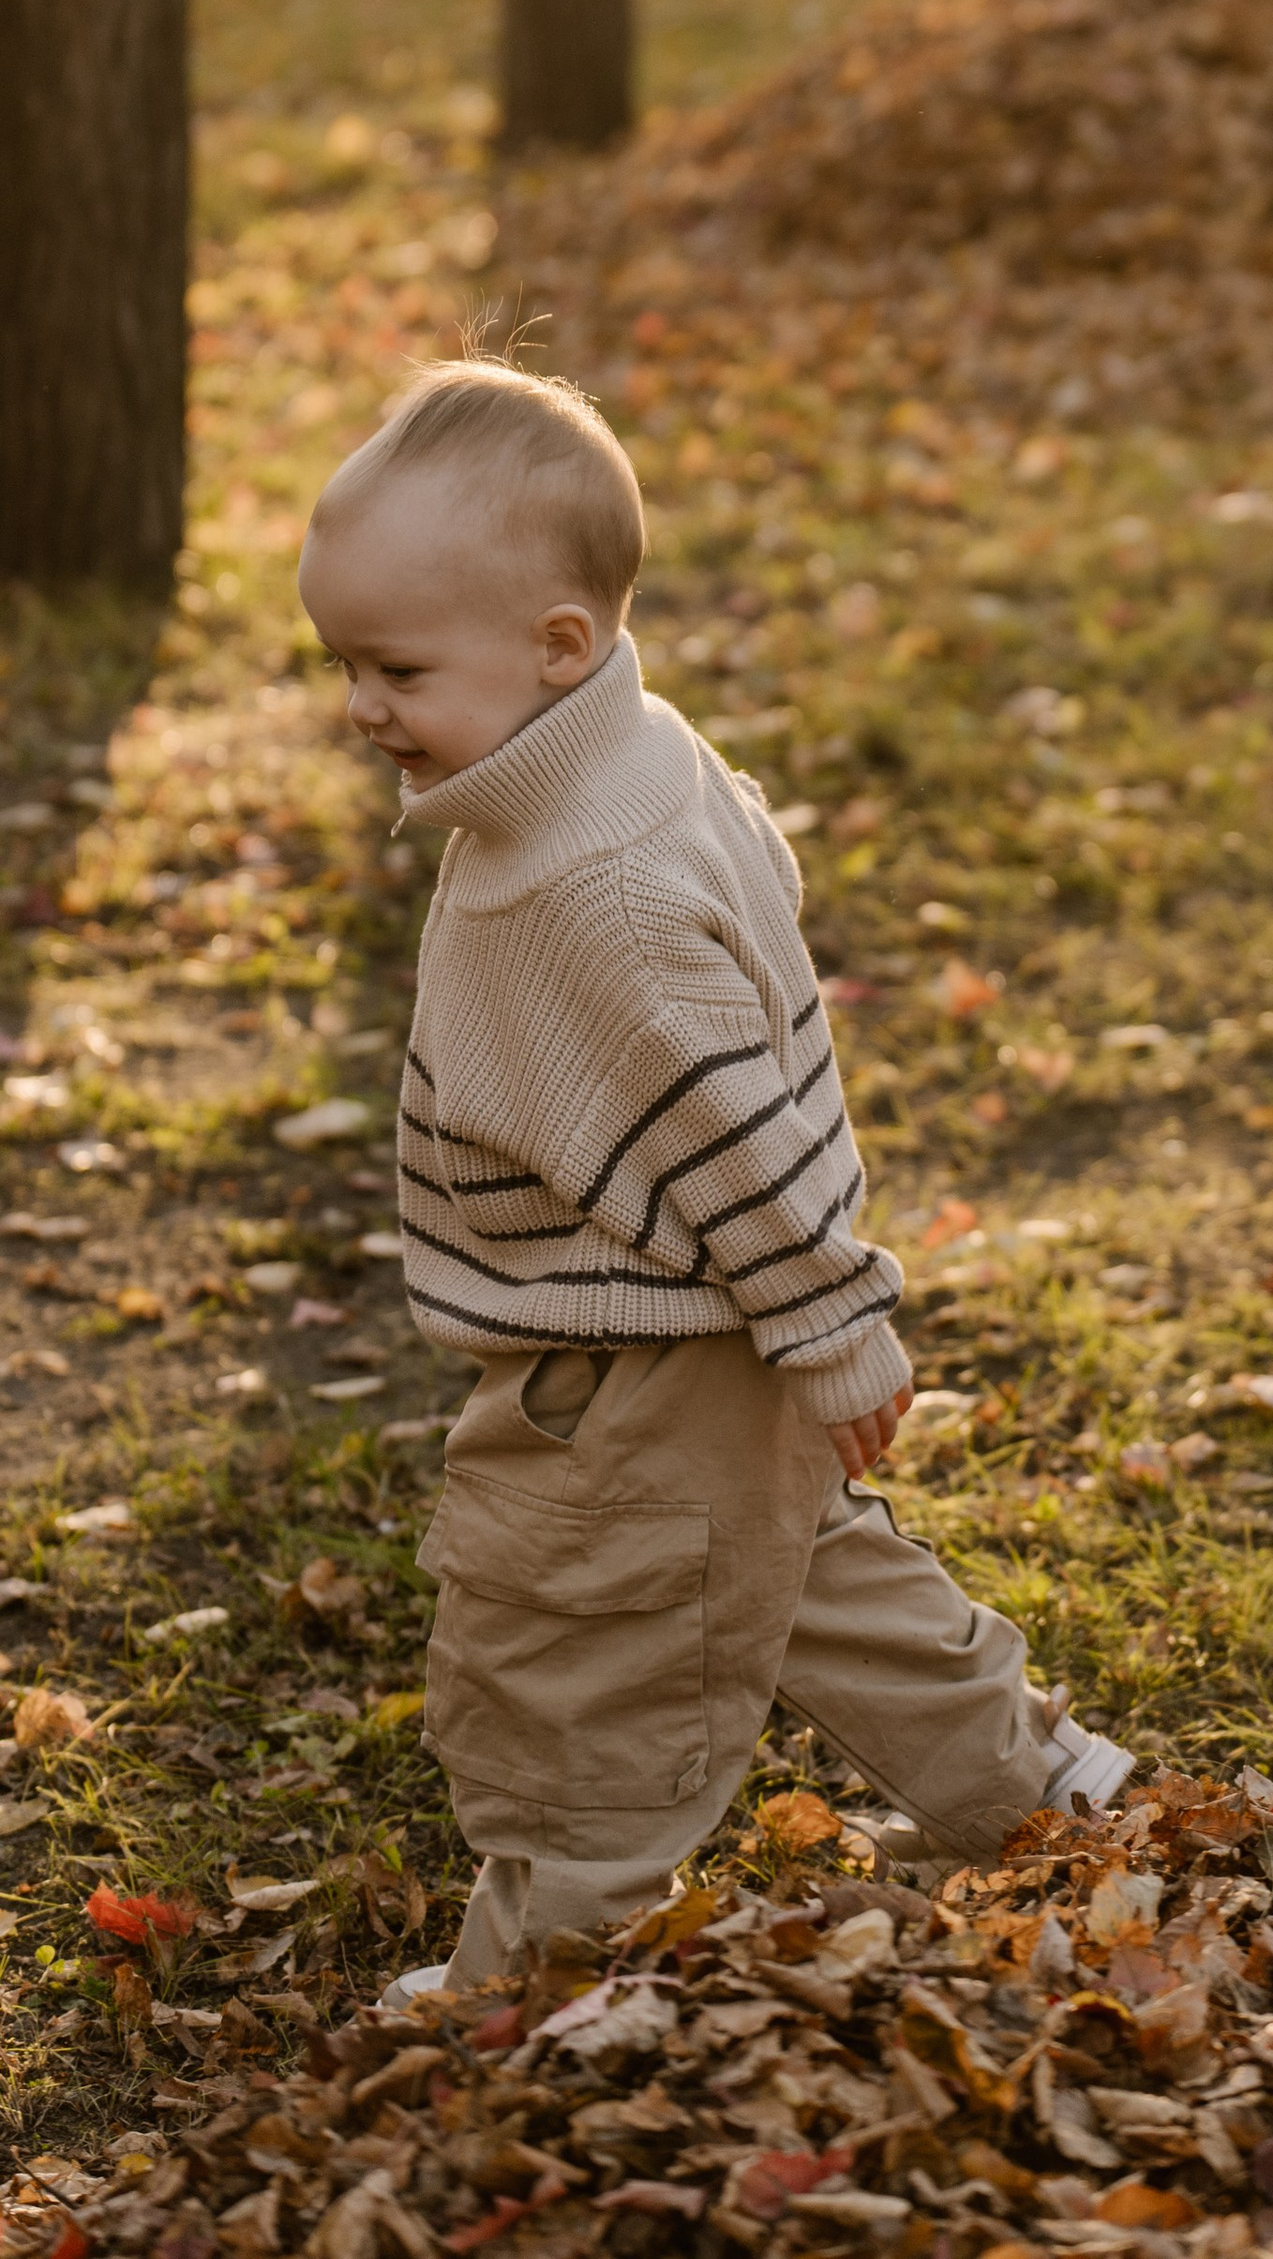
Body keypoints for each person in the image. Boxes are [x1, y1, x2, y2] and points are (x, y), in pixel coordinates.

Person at [296, 359, 1127, 1993]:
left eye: (395, 667)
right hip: (716, 1333)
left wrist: (830, 1325)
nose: (362, 708)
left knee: (591, 1651)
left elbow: (721, 1132)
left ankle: (542, 1979)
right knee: (796, 1567)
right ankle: (1045, 1797)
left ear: (559, 644)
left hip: (635, 1355)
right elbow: (767, 887)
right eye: (342, 664)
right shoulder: (639, 752)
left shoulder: (579, 893)